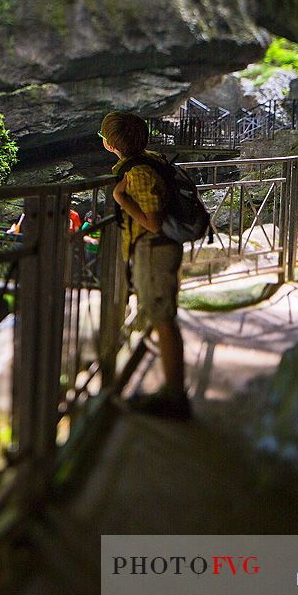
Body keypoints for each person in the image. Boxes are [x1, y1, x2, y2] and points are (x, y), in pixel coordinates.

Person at [99, 111, 190, 420]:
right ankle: (173, 391)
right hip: (157, 250)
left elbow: (151, 222)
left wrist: (120, 197)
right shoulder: (149, 159)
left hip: (155, 249)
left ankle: (175, 397)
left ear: (111, 144)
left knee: (163, 318)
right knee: (161, 316)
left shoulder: (137, 172)